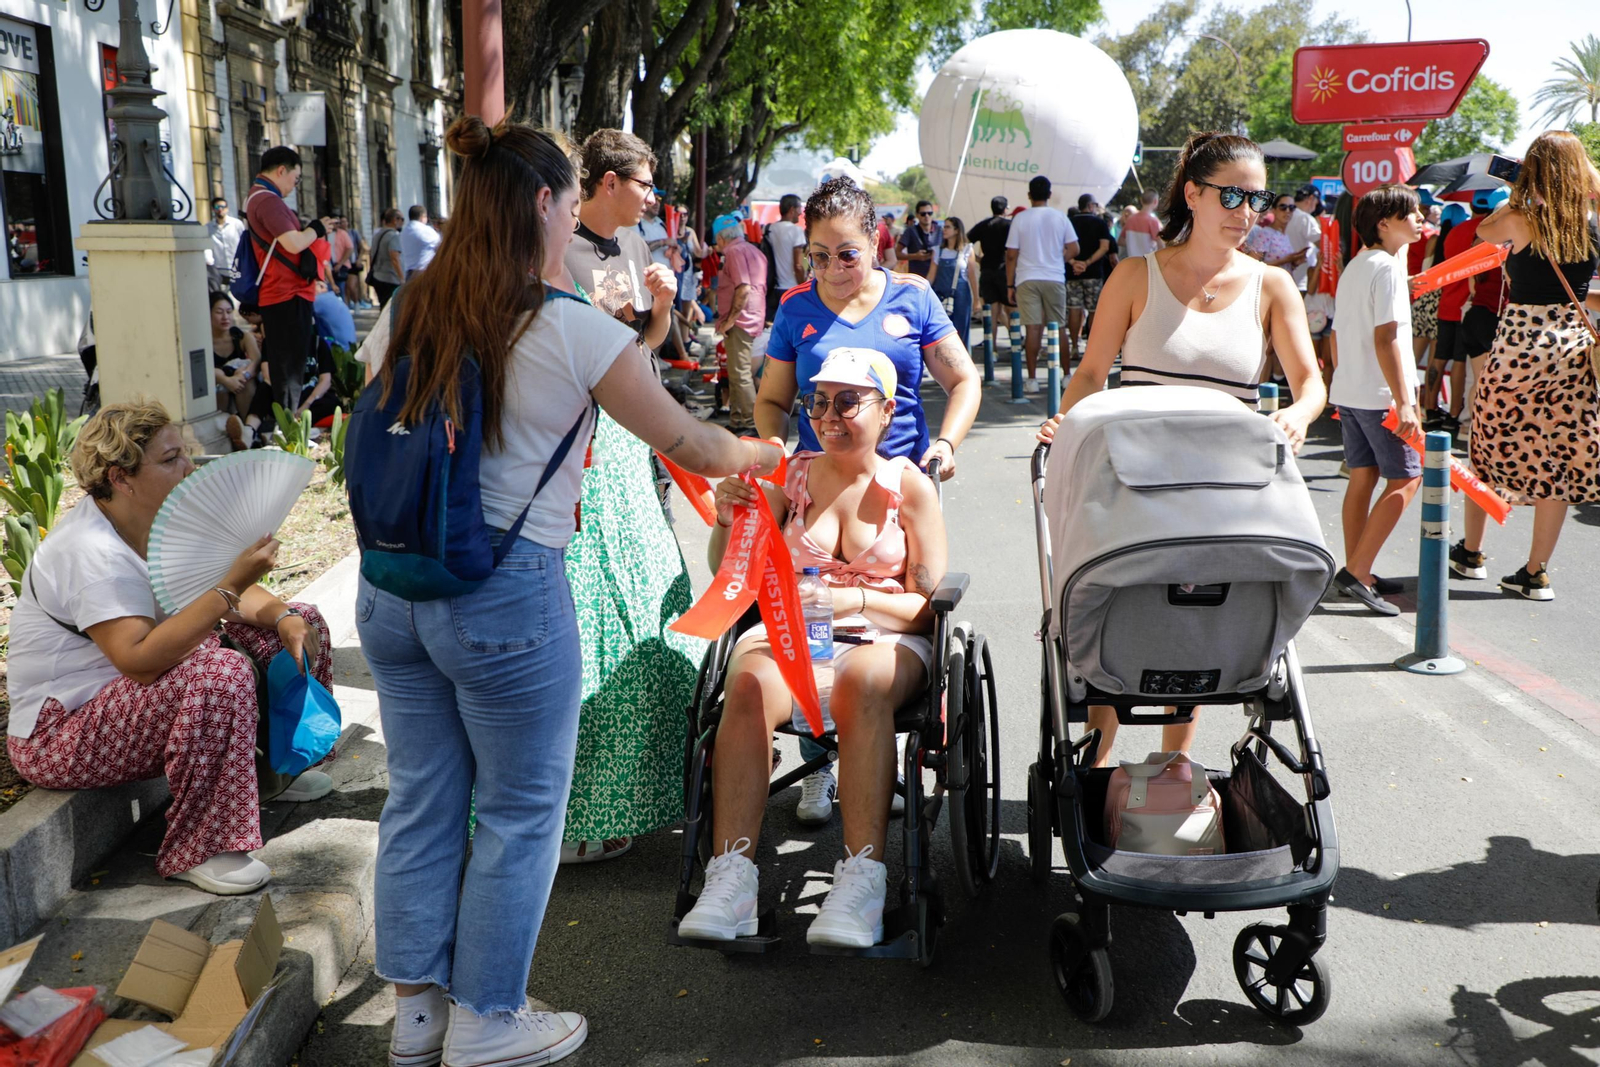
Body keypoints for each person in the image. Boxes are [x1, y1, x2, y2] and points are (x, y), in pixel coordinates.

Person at [353, 116, 783, 1067]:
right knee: (516, 810)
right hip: (505, 597)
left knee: (422, 799)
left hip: (393, 591)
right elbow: (694, 444)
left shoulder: (406, 310)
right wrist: (762, 451)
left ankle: (417, 1015)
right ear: (546, 203)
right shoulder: (569, 328)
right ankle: (489, 1018)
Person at [1036, 131, 1325, 764]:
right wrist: (1064, 425)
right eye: (1232, 195)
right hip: (1133, 481)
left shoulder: (1271, 285)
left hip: (1224, 490)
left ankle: (1172, 766)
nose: (1247, 212)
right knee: (1122, 608)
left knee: (1200, 623)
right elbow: (1090, 375)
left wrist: (1300, 416)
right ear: (1193, 193)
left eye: (1258, 198)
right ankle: (1094, 760)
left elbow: (1310, 385)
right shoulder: (1136, 275)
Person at [6, 401, 334, 895]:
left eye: (185, 454)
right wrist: (231, 587)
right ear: (121, 477)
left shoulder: (162, 518)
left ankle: (280, 768)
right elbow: (139, 662)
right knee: (216, 673)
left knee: (302, 621)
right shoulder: (89, 553)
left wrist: (283, 616)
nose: (189, 468)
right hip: (62, 731)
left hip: (125, 701)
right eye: (171, 459)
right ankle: (203, 846)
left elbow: (233, 592)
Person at [677, 348, 947, 948]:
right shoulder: (788, 479)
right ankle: (732, 879)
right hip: (795, 633)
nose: (829, 415)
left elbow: (928, 605)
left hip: (885, 636)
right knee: (743, 684)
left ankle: (862, 881)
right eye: (818, 402)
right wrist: (726, 518)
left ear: (888, 410)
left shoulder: (909, 489)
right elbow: (731, 573)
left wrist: (857, 603)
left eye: (848, 401)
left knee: (863, 682)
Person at [748, 177, 980, 821]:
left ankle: (864, 749)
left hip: (900, 486)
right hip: (820, 480)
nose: (831, 269)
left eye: (845, 254)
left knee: (891, 613)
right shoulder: (796, 309)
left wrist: (949, 445)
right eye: (817, 256)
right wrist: (774, 454)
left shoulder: (913, 296)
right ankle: (822, 758)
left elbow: (962, 380)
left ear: (876, 242)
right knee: (813, 604)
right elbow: (771, 400)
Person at [1451, 130, 1600, 601]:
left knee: (1486, 446)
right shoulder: (1590, 222)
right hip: (1572, 349)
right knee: (1556, 459)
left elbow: (1482, 231)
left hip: (1519, 346)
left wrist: (1520, 189)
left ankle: (1472, 553)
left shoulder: (1518, 217)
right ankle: (1536, 572)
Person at [1329, 185, 1426, 616]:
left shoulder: (1359, 265)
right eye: (1413, 213)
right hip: (1379, 395)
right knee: (1407, 479)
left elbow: (1336, 335)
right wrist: (1405, 402)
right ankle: (1357, 571)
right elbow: (1386, 336)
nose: (1420, 219)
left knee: (1363, 476)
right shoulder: (1384, 268)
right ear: (1385, 224)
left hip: (1351, 389)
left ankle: (1357, 570)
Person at [566, 129, 676, 355]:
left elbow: (648, 342)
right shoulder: (560, 246)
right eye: (644, 185)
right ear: (611, 183)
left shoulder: (636, 245)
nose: (652, 198)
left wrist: (663, 304)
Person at [246, 147, 334, 420]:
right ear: (281, 170)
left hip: (283, 295)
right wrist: (318, 228)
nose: (295, 186)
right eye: (295, 179)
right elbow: (293, 243)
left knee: (289, 370)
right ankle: (289, 434)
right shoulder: (268, 201)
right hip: (286, 294)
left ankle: (288, 431)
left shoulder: (259, 198)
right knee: (290, 371)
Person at [1006, 175, 1079, 394]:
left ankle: (1032, 379)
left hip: (1027, 278)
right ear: (1049, 195)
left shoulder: (1020, 219)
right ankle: (1066, 375)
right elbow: (1074, 248)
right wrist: (1059, 259)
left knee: (1033, 328)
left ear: (1029, 195)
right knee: (1059, 327)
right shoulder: (1060, 217)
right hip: (1054, 276)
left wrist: (1010, 285)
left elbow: (1011, 255)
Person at [711, 213, 768, 434]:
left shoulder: (733, 252)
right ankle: (738, 420)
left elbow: (743, 288)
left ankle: (753, 423)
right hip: (754, 316)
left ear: (722, 238)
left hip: (741, 320)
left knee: (740, 373)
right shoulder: (754, 250)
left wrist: (728, 321)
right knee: (736, 374)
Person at [1420, 202, 1469, 427]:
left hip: (1438, 305)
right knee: (1458, 360)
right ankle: (1454, 413)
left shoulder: (1439, 240)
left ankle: (1429, 407)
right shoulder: (1472, 236)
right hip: (1461, 306)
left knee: (1436, 357)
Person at [1067, 193, 1114, 357]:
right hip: (1094, 273)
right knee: (1094, 310)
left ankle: (1074, 345)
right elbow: (1105, 247)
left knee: (1074, 309)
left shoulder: (1069, 222)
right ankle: (1090, 348)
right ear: (1090, 206)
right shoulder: (1099, 223)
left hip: (1072, 273)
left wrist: (1074, 262)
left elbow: (1062, 247)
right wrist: (1087, 263)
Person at [210, 290, 259, 419]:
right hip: (217, 391)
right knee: (219, 386)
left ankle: (248, 429)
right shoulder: (203, 342)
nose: (225, 317)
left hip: (241, 385)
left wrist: (244, 374)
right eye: (219, 312)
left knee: (245, 384)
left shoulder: (244, 337)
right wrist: (226, 380)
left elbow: (257, 361)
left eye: (229, 311)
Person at [934, 216, 979, 353]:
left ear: (956, 230)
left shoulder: (967, 250)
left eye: (948, 227)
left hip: (961, 296)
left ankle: (964, 363)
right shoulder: (938, 250)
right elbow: (931, 275)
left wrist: (976, 300)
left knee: (961, 331)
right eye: (944, 226)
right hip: (940, 295)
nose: (944, 230)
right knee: (941, 333)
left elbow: (972, 275)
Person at [968, 195, 1013, 330]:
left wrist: (977, 259)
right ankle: (1016, 342)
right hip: (1004, 269)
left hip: (986, 268)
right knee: (1011, 309)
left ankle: (991, 347)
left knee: (992, 312)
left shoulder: (983, 225)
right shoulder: (1009, 225)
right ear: (1005, 209)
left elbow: (965, 241)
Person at [1286, 185, 1324, 297]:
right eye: (1316, 202)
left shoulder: (1283, 215)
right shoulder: (1305, 219)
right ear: (1311, 198)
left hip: (1282, 275)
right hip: (1301, 279)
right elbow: (1321, 243)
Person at [769, 193, 808, 292]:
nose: (801, 213)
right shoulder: (796, 231)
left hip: (773, 288)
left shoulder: (770, 229)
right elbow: (798, 266)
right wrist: (804, 288)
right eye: (800, 208)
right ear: (792, 209)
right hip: (791, 288)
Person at [206, 198, 246, 293]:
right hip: (218, 270)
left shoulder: (236, 224)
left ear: (227, 209)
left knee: (237, 299)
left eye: (223, 207)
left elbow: (244, 243)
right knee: (223, 299)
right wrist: (209, 262)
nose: (220, 209)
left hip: (237, 269)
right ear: (213, 209)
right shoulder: (208, 227)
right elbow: (207, 248)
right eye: (217, 207)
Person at [368, 208, 405, 309]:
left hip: (377, 276)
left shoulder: (377, 234)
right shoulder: (393, 236)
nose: (402, 222)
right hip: (390, 278)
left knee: (384, 307)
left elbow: (371, 254)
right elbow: (395, 258)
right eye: (401, 219)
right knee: (392, 309)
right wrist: (402, 278)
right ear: (394, 220)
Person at [897, 200, 940, 279]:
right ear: (917, 215)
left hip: (937, 279)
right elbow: (897, 254)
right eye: (923, 214)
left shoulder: (940, 230)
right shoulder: (910, 231)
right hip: (917, 277)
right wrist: (915, 256)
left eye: (929, 213)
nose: (926, 216)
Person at [312, 278, 357, 351]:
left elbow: (302, 313)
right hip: (349, 348)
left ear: (321, 287)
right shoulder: (331, 298)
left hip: (340, 350)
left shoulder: (321, 300)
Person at [1119, 190, 1164, 259]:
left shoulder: (1130, 219)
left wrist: (1133, 244)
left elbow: (1120, 241)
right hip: (1147, 262)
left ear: (1141, 200)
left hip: (1132, 261)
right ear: (1155, 201)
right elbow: (1161, 245)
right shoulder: (1152, 221)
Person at [399, 204, 440, 278]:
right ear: (422, 217)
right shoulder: (426, 230)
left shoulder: (404, 232)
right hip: (424, 273)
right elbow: (440, 247)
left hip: (409, 273)